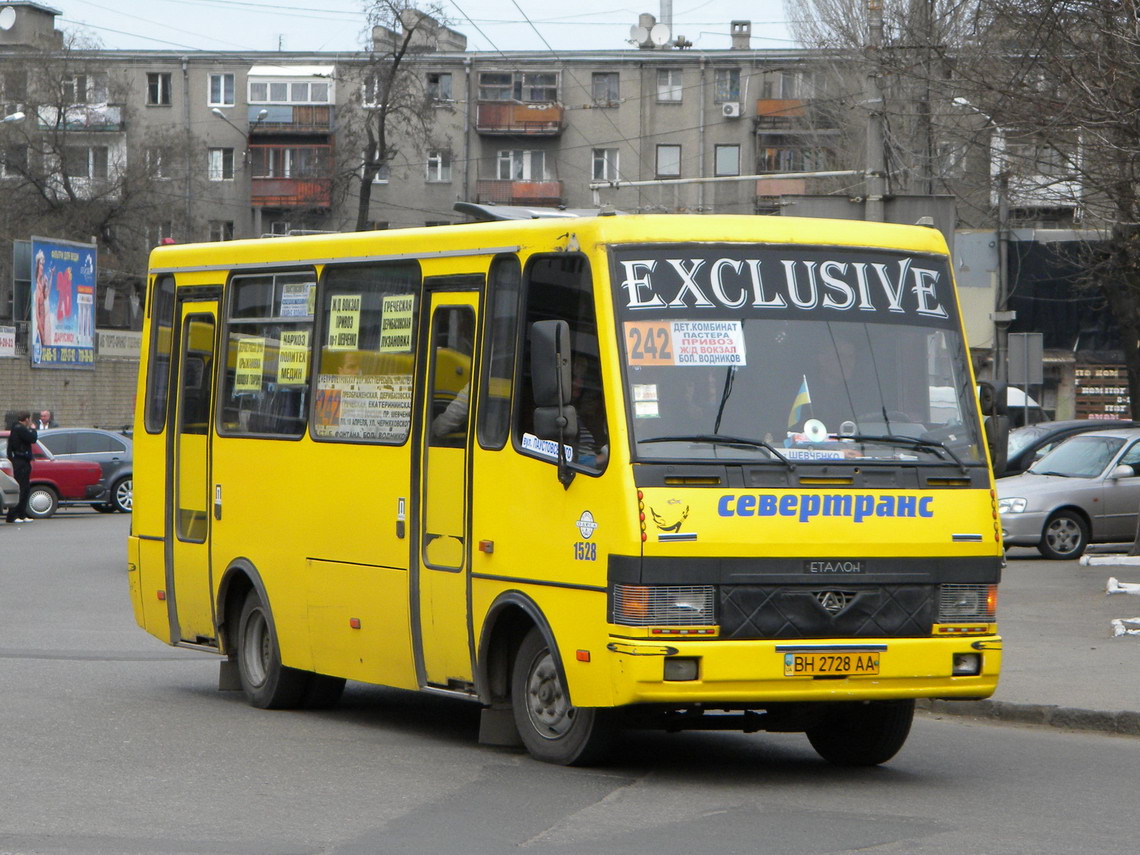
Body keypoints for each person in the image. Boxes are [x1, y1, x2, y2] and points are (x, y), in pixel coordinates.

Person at [5, 411, 38, 524]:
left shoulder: (15, 428)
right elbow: (33, 439)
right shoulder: (21, 429)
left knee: (25, 488)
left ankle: (22, 514)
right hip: (21, 462)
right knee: (22, 488)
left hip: (18, 461)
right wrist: (33, 429)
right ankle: (14, 515)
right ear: (27, 419)